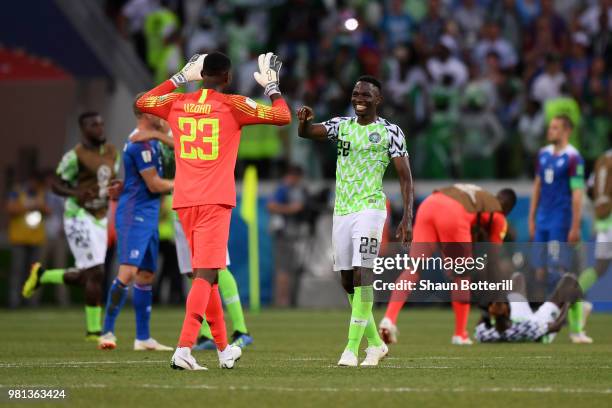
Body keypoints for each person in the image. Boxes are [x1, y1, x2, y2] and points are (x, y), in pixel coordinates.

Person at [136, 51, 291, 370]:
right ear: (227, 78)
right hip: (214, 201)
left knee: (211, 278)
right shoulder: (232, 104)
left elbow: (143, 102)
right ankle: (184, 348)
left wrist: (179, 77)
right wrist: (272, 86)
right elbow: (282, 117)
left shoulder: (177, 102)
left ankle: (223, 350)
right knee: (206, 276)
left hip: (184, 200)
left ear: (200, 74)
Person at [297, 75, 414, 367]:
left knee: (363, 273)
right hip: (343, 211)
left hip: (371, 209)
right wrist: (303, 120)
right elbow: (308, 133)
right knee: (348, 281)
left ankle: (351, 349)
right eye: (356, 93)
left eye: (366, 94)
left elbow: (406, 179)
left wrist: (408, 217)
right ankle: (375, 344)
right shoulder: (341, 126)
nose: (359, 98)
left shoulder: (391, 131)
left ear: (379, 99)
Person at [22, 112, 120, 340]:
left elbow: (109, 181)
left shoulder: (113, 152)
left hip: (100, 216)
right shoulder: (74, 156)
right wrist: (76, 193)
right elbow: (56, 184)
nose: (99, 127)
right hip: (78, 215)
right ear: (83, 129)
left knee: (88, 275)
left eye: (101, 123)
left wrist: (116, 188)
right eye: (93, 124)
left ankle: (43, 276)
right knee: (96, 272)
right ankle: (93, 332)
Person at [379, 184, 517, 345]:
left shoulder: (480, 195)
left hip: (429, 204)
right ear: (507, 210)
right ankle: (460, 334)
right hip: (453, 212)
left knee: (413, 269)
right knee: (462, 275)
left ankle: (389, 319)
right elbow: (493, 263)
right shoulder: (498, 215)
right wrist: (498, 299)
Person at [97, 95, 174, 351]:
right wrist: (188, 186)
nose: (163, 115)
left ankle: (143, 338)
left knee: (146, 275)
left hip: (150, 213)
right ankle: (106, 332)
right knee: (128, 272)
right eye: (158, 111)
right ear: (146, 114)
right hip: (134, 213)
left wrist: (163, 134)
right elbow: (154, 184)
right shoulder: (139, 143)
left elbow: (182, 145)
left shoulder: (153, 140)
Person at [528, 114, 587, 343]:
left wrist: (574, 225)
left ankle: (566, 327)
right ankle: (549, 319)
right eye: (550, 127)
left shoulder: (574, 158)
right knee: (539, 272)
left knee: (557, 273)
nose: (550, 131)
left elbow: (577, 193)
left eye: (554, 128)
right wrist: (532, 218)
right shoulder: (543, 154)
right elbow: (537, 186)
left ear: (566, 131)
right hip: (542, 220)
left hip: (560, 221)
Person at [475, 272, 579, 343]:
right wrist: (567, 304)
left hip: (517, 317)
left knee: (517, 277)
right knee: (569, 280)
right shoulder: (525, 329)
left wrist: (486, 311)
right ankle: (577, 331)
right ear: (507, 309)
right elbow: (556, 326)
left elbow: (480, 327)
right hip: (538, 323)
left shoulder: (484, 333)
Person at [267, 164, 308, 307]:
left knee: (289, 270)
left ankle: (287, 301)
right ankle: (282, 302)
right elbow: (271, 206)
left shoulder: (296, 189)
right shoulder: (283, 189)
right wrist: (291, 209)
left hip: (294, 234)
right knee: (283, 270)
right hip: (283, 234)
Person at [6, 171, 49, 308]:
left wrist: (40, 207)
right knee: (17, 271)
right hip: (19, 239)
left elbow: (49, 210)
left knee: (35, 273)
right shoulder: (17, 192)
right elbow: (10, 209)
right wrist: (28, 206)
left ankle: (32, 302)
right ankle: (14, 302)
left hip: (36, 239)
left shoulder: (42, 193)